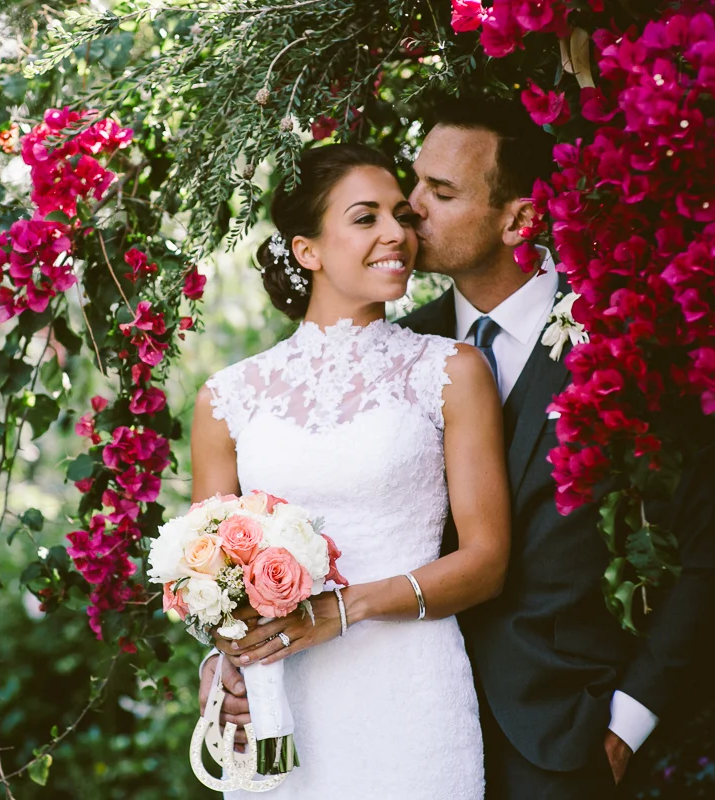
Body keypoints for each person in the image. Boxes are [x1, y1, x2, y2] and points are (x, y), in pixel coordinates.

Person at [204, 97, 715, 799]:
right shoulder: (407, 349)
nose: (411, 213)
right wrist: (230, 658)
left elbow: (706, 547)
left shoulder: (622, 335)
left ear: (519, 218)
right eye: (407, 189)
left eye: (437, 193)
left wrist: (627, 723)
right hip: (381, 702)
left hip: (561, 731)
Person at [191, 142, 511, 798]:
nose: (397, 232)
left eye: (400, 214)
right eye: (366, 218)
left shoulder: (450, 372)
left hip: (412, 699)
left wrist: (344, 609)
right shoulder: (228, 398)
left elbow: (488, 561)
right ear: (307, 250)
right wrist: (221, 664)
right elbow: (208, 586)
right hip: (282, 704)